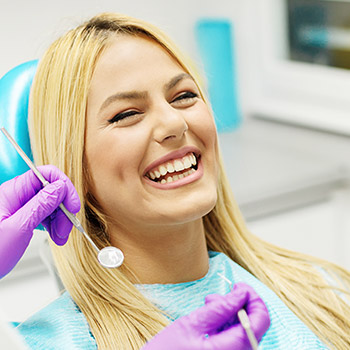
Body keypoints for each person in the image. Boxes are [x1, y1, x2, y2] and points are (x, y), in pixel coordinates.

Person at [0, 12, 349, 349]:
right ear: (72, 164)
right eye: (126, 114)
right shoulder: (42, 343)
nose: (174, 124)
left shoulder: (324, 295)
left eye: (184, 96)